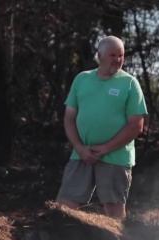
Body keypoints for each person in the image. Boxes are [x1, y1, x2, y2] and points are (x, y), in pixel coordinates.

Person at [56, 35, 148, 219]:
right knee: (64, 208)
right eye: (113, 55)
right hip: (81, 154)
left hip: (116, 157)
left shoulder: (129, 83)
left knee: (114, 212)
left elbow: (136, 125)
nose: (118, 60)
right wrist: (80, 148)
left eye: (121, 55)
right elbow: (69, 119)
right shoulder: (82, 79)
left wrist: (105, 148)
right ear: (100, 55)